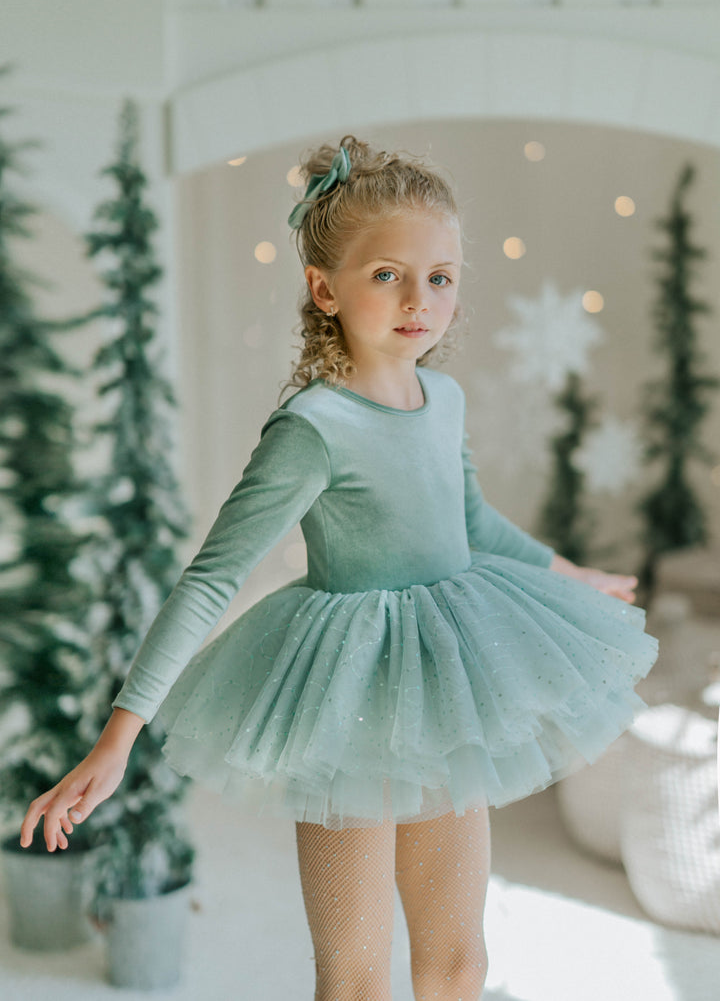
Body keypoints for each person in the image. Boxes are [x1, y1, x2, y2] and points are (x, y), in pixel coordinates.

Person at [21, 134, 658, 1000]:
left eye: (440, 276)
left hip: (445, 685)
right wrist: (118, 736)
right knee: (356, 977)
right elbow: (211, 576)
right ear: (326, 288)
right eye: (388, 273)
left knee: (460, 961)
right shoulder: (313, 427)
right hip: (347, 702)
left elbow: (467, 519)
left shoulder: (446, 398)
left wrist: (565, 571)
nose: (419, 298)